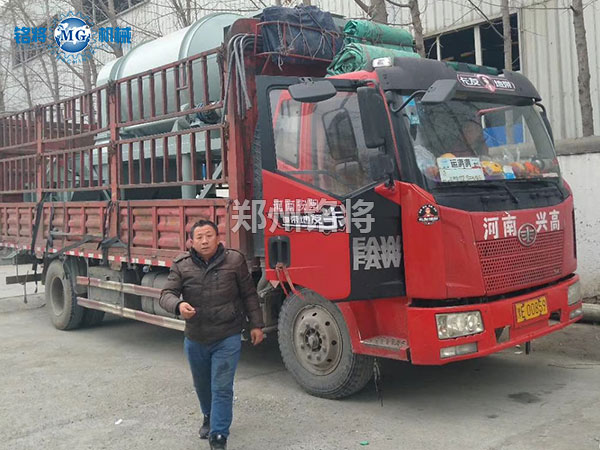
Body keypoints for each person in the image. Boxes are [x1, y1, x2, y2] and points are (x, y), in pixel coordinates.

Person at [159, 219, 265, 450]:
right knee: (202, 384)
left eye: (209, 235)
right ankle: (208, 415)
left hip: (227, 334)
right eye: (199, 237)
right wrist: (178, 305)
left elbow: (248, 294)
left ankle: (218, 434)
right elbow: (166, 294)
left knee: (222, 386)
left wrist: (256, 325)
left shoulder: (234, 261)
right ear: (191, 241)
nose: (205, 241)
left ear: (218, 238)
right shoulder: (182, 265)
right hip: (196, 336)